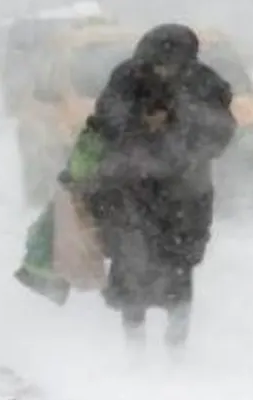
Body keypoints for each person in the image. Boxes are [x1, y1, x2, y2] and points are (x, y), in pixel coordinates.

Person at [68, 23, 237, 352]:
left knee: (179, 267)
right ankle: (135, 346)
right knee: (131, 264)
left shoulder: (205, 84)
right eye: (157, 63)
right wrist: (138, 127)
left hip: (185, 195)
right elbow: (104, 123)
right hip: (129, 190)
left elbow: (221, 131)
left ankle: (176, 347)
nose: (163, 71)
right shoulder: (127, 79)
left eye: (171, 64)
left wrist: (181, 138)